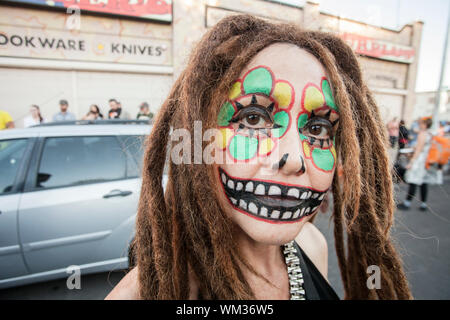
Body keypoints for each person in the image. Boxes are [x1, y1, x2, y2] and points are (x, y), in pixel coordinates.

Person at [106, 14, 411, 300]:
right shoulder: (152, 291)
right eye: (252, 118)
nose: (293, 159)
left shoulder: (312, 245)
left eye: (318, 128)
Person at [398, 117, 443, 211]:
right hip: (427, 161)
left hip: (420, 161)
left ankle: (407, 203)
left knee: (413, 181)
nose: (419, 124)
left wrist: (411, 162)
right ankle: (423, 204)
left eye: (420, 123)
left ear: (424, 124)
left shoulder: (422, 134)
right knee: (423, 183)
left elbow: (418, 150)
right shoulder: (431, 133)